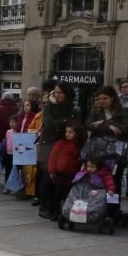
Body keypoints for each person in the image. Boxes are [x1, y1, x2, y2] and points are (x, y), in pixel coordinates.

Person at [36, 82, 77, 215]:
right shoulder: (49, 107)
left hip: (65, 144)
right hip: (49, 144)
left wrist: (63, 123)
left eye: (60, 92)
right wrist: (66, 122)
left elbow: (76, 125)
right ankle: (44, 206)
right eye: (56, 92)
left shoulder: (73, 108)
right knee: (47, 176)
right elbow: (49, 124)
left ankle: (56, 206)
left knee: (60, 176)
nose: (57, 95)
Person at [46, 121, 84, 221]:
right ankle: (55, 212)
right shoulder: (61, 143)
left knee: (67, 195)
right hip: (59, 174)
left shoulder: (79, 146)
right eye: (66, 132)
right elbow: (53, 157)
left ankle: (65, 213)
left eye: (70, 132)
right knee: (57, 195)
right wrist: (52, 170)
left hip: (71, 174)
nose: (67, 134)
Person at [0, 93, 18, 184]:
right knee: (9, 162)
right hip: (12, 139)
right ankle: (8, 182)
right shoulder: (17, 109)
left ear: (3, 98)